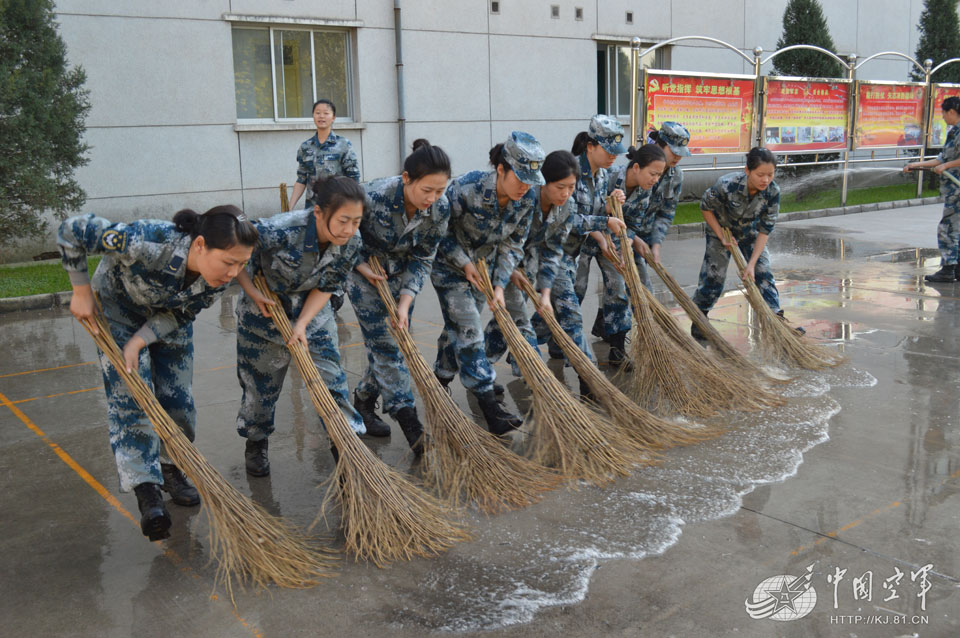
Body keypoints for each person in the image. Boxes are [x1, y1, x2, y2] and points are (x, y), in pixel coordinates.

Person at [58, 207, 258, 541]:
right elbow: (72, 229)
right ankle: (147, 491)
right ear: (199, 245)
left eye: (242, 264)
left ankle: (170, 467)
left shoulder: (216, 281)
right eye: (228, 262)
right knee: (132, 400)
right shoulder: (146, 241)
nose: (233, 273)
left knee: (179, 402)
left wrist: (140, 341)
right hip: (118, 311)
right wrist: (80, 291)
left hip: (167, 318)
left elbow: (181, 316)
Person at [234, 176, 368, 478]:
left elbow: (328, 285)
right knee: (260, 390)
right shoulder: (279, 230)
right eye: (343, 221)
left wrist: (303, 324)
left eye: (356, 222)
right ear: (319, 212)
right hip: (264, 316)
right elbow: (235, 253)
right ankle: (256, 441)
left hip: (313, 316)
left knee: (332, 383)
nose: (349, 229)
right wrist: (252, 291)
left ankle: (345, 446)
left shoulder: (352, 242)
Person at [432, 131, 545, 435]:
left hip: (484, 269)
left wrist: (499, 284)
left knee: (458, 328)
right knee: (469, 329)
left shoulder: (527, 199)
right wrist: (464, 262)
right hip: (450, 266)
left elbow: (513, 245)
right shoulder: (465, 189)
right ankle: (490, 409)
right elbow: (438, 232)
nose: (525, 186)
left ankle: (439, 380)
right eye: (520, 178)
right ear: (501, 169)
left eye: (531, 181)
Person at [346, 139, 452, 455]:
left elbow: (423, 256)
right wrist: (362, 266)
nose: (432, 199)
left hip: (401, 276)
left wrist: (405, 302)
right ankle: (411, 425)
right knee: (386, 345)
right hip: (363, 272)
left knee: (393, 339)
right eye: (427, 190)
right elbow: (342, 236)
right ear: (406, 179)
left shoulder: (440, 208)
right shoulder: (371, 197)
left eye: (440, 191)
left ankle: (364, 398)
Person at [690, 147, 803, 338]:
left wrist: (751, 264)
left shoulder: (772, 192)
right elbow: (705, 207)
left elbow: (765, 229)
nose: (765, 180)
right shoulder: (727, 184)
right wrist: (721, 235)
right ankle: (700, 319)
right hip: (720, 230)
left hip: (749, 232)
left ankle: (776, 321)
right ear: (747, 170)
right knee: (714, 277)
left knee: (763, 272)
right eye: (760, 175)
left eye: (770, 175)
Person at [564, 115, 628, 365]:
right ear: (591, 146)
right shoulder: (570, 172)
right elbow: (569, 218)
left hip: (596, 237)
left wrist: (613, 202)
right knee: (573, 295)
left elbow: (598, 210)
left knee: (618, 286)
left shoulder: (603, 174)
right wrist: (604, 223)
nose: (613, 156)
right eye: (608, 150)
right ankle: (556, 343)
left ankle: (618, 349)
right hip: (569, 246)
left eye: (616, 152)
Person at [609, 122, 690, 289]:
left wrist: (656, 243)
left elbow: (666, 213)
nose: (678, 157)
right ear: (660, 145)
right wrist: (632, 240)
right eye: (674, 152)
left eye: (681, 153)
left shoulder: (676, 177)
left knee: (640, 287)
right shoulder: (639, 167)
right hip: (619, 235)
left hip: (640, 235)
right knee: (620, 286)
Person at [905, 96, 960, 282]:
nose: (943, 117)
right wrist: (915, 165)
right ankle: (956, 269)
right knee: (956, 228)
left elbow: (946, 162)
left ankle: (948, 269)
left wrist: (946, 166)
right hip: (953, 190)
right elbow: (941, 159)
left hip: (957, 191)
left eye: (944, 113)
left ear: (951, 111)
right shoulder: (954, 132)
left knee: (947, 228)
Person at [606, 144, 668, 291]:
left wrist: (626, 249)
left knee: (639, 285)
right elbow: (592, 211)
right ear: (636, 168)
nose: (655, 180)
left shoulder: (645, 189)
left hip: (617, 240)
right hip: (593, 236)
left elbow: (633, 224)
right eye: (653, 174)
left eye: (659, 175)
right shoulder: (609, 177)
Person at [288, 99, 360, 210]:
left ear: (333, 117)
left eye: (326, 113)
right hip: (313, 208)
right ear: (313, 116)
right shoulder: (306, 147)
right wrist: (289, 208)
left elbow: (353, 178)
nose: (321, 116)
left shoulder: (344, 145)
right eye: (317, 113)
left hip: (337, 207)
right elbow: (301, 180)